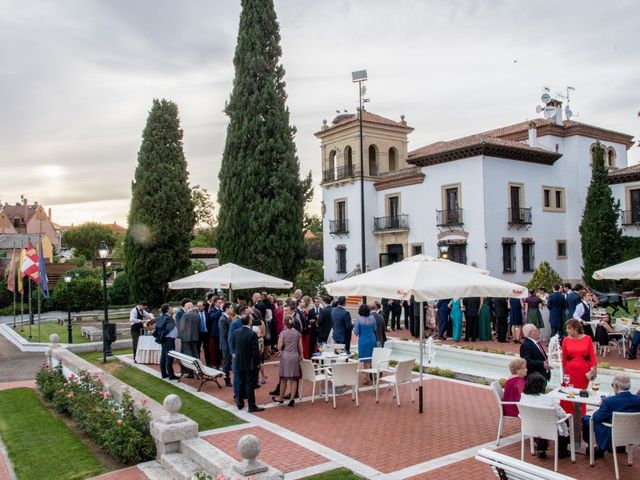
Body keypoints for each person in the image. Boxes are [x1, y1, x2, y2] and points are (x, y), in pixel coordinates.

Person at [582, 373, 640, 458]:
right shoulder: (638, 400)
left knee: (586, 419)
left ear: (616, 386)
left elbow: (596, 418)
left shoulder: (609, 401)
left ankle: (597, 448)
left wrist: (602, 405)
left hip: (612, 432)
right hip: (631, 433)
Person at [520, 372, 571, 459]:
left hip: (530, 427)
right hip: (548, 428)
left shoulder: (523, 397)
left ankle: (541, 450)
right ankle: (563, 450)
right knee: (566, 420)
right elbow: (562, 414)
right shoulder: (548, 399)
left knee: (540, 420)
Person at [561, 318, 597, 416]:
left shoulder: (587, 339)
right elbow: (564, 359)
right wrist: (564, 374)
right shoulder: (566, 340)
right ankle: (568, 416)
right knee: (568, 393)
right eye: (567, 329)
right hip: (570, 371)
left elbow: (592, 356)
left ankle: (581, 416)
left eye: (569, 328)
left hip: (583, 372)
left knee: (581, 394)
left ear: (576, 328)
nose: (568, 331)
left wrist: (594, 370)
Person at [233, 314, 264, 412]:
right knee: (250, 384)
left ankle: (240, 402)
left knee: (241, 382)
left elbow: (235, 346)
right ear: (249, 322)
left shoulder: (236, 332)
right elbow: (255, 351)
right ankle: (251, 405)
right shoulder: (252, 334)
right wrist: (257, 362)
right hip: (250, 363)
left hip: (240, 361)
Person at [272, 315, 303, 407]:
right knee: (294, 379)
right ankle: (292, 399)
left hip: (285, 356)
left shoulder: (283, 333)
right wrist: (301, 355)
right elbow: (300, 346)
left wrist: (280, 349)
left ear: (284, 323)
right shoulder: (298, 333)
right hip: (294, 356)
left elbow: (279, 346)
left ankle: (281, 397)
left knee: (283, 378)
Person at [229, 306, 249, 404]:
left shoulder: (249, 321)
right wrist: (233, 352)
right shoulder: (235, 323)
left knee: (244, 374)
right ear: (242, 313)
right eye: (248, 313)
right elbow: (230, 339)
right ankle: (237, 394)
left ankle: (244, 392)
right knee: (237, 374)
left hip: (245, 353)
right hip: (237, 354)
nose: (250, 315)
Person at [153, 303, 178, 380]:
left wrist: (162, 336)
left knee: (163, 357)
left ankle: (164, 373)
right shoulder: (168, 318)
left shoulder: (160, 317)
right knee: (169, 357)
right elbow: (168, 328)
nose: (171, 309)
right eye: (170, 308)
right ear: (167, 310)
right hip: (169, 339)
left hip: (164, 340)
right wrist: (164, 334)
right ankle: (171, 375)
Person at [178, 302, 200, 377]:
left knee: (188, 355)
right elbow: (198, 327)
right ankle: (198, 370)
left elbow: (181, 327)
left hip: (186, 338)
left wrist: (180, 335)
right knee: (195, 353)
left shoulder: (185, 315)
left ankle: (190, 373)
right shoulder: (197, 315)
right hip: (195, 337)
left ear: (188, 307)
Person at [353, 304, 377, 371]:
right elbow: (375, 329)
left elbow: (356, 332)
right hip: (372, 339)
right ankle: (369, 375)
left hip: (363, 340)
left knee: (365, 358)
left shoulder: (358, 319)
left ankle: (367, 376)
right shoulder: (373, 318)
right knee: (371, 357)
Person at [218, 302, 234, 387]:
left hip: (228, 344)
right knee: (226, 363)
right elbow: (224, 334)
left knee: (228, 363)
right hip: (226, 345)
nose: (232, 309)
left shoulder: (228, 318)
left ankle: (227, 378)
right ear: (226, 309)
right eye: (231, 308)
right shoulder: (223, 319)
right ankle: (227, 380)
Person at [207, 296, 223, 369]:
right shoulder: (212, 310)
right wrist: (220, 309)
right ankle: (217, 365)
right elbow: (214, 317)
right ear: (215, 303)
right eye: (219, 302)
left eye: (221, 302)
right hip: (216, 333)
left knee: (221, 349)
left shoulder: (222, 310)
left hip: (222, 332)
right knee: (217, 350)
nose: (221, 303)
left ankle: (221, 363)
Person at [196, 300, 211, 366]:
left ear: (204, 307)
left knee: (207, 349)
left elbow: (211, 324)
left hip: (206, 333)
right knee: (197, 349)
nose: (198, 307)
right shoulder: (195, 314)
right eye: (197, 306)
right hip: (198, 334)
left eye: (200, 306)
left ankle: (208, 364)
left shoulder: (208, 314)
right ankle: (198, 364)